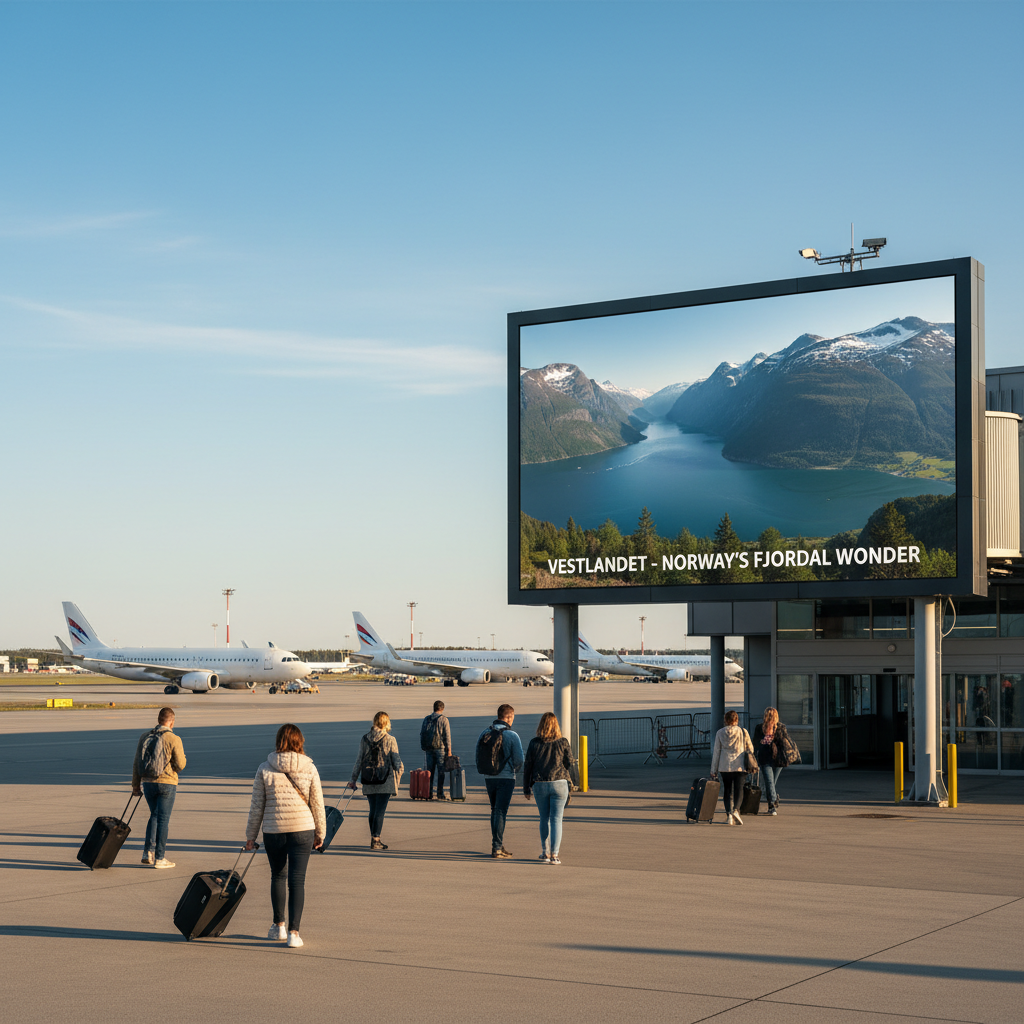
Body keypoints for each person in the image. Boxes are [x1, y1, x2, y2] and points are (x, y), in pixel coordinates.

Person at [245, 724, 326, 949]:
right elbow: (317, 803)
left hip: (274, 829)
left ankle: (278, 926)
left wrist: (251, 836)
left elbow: (256, 806)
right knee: (297, 880)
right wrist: (321, 833)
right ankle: (294, 933)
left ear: (279, 741)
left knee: (278, 876)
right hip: (303, 828)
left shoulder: (264, 768)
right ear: (299, 741)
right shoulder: (309, 767)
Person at [132, 706, 186, 868]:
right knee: (163, 819)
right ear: (171, 721)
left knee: (153, 816)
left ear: (159, 720)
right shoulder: (173, 738)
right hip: (167, 783)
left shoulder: (145, 736)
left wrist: (136, 786)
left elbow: (137, 763)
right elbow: (180, 765)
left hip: (148, 783)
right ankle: (160, 857)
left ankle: (147, 852)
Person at [522, 711, 573, 864]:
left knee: (544, 818)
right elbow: (569, 762)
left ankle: (545, 853)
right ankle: (555, 855)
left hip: (540, 784)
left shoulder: (534, 743)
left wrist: (526, 788)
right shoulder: (562, 742)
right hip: (559, 783)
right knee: (557, 819)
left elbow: (528, 766)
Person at [349, 711, 404, 850]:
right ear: (386, 723)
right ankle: (376, 839)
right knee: (380, 811)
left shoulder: (364, 739)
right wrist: (397, 779)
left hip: (368, 778)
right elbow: (397, 763)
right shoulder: (390, 739)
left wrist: (353, 779)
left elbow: (359, 760)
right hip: (385, 780)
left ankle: (374, 836)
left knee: (373, 810)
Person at [476, 703, 524, 858]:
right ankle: (496, 847)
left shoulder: (485, 732)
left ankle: (497, 844)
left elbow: (478, 754)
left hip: (489, 777)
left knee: (494, 810)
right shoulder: (512, 735)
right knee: (500, 811)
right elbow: (519, 759)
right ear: (509, 717)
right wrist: (512, 770)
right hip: (506, 777)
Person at [710, 710, 754, 826]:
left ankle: (729, 815)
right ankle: (736, 810)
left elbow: (716, 752)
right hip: (740, 766)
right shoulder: (743, 732)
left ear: (726, 720)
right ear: (737, 720)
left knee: (727, 790)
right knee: (739, 789)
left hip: (724, 766)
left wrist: (713, 770)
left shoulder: (720, 733)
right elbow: (751, 749)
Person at [752, 707, 794, 815]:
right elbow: (755, 743)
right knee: (769, 782)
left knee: (771, 783)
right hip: (765, 759)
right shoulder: (759, 728)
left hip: (778, 759)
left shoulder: (780, 728)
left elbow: (784, 743)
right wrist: (761, 743)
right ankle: (772, 806)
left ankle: (774, 798)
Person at [420, 699, 452, 800]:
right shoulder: (444, 719)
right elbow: (447, 736)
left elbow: (422, 733)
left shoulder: (427, 719)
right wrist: (449, 751)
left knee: (430, 772)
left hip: (429, 748)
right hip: (440, 749)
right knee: (441, 771)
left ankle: (428, 793)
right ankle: (440, 793)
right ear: (442, 708)